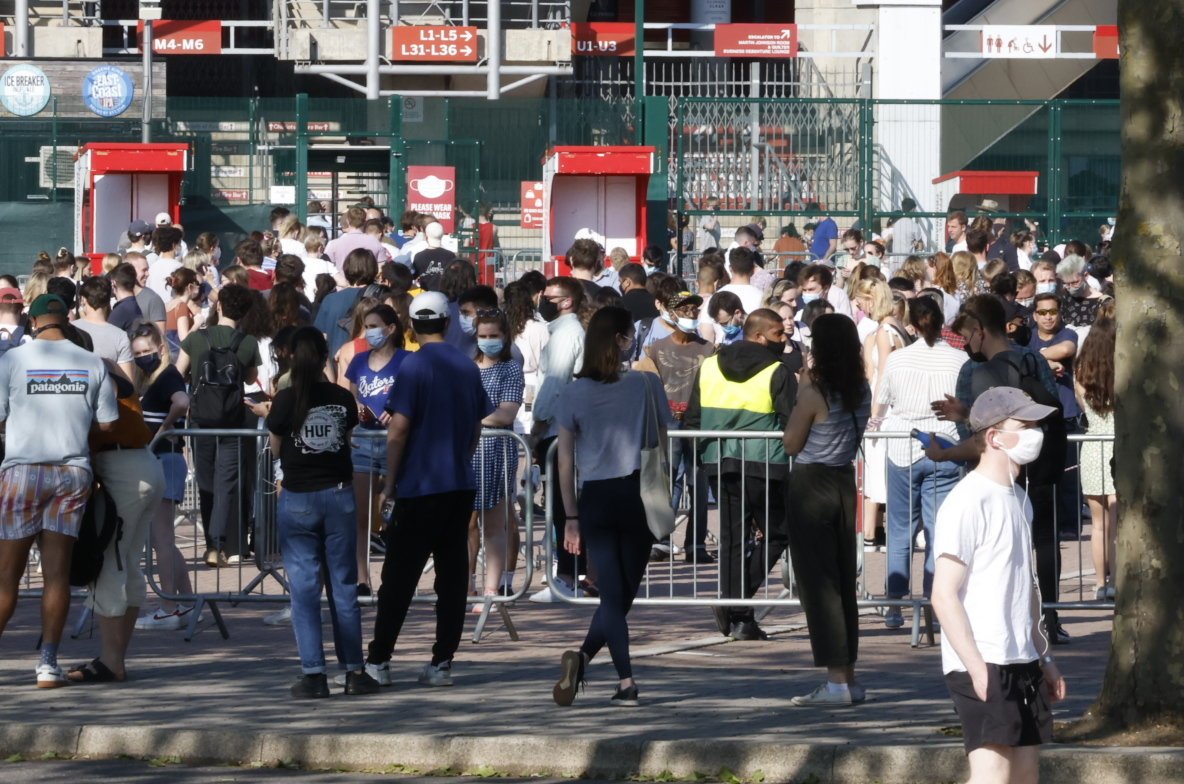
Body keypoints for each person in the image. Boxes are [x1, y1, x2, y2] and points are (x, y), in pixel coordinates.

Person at [930, 387, 1067, 781]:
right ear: (993, 436)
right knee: (992, 775)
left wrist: (1045, 659)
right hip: (982, 658)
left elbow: (1028, 592)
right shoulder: (968, 500)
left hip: (1021, 658)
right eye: (1023, 426)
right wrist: (976, 666)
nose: (1035, 434)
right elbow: (943, 595)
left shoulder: (1018, 499)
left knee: (1024, 776)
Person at [365, 291, 493, 687]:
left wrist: (389, 480)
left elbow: (398, 429)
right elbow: (475, 426)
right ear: (448, 322)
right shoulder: (468, 367)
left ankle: (380, 660)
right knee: (452, 576)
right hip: (457, 483)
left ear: (411, 326)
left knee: (399, 577)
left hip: (419, 485)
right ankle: (441, 662)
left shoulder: (414, 366)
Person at [551, 306, 669, 708]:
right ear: (621, 339)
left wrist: (570, 516)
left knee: (613, 597)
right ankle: (625, 678)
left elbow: (564, 460)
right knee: (622, 595)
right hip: (638, 491)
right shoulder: (644, 384)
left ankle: (585, 660)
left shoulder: (573, 391)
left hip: (595, 496)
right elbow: (662, 433)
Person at [0, 294, 118, 687]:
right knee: (57, 575)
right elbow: (107, 424)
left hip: (24, 471)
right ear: (66, 320)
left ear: (33, 322)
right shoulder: (91, 362)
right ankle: (48, 663)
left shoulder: (13, 360)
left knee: (7, 577)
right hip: (71, 472)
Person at [266, 327, 381, 699]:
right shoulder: (341, 398)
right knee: (343, 586)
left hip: (299, 496)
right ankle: (353, 670)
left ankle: (313, 672)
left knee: (304, 588)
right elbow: (345, 440)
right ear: (324, 355)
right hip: (338, 494)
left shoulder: (285, 399)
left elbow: (275, 449)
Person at [684, 308, 794, 640]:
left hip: (720, 461)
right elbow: (792, 423)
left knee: (733, 540)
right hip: (765, 464)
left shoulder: (709, 366)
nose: (784, 339)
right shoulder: (779, 370)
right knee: (777, 533)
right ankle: (739, 608)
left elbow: (692, 419)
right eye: (779, 334)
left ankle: (737, 607)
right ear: (759, 336)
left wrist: (700, 459)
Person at [781, 313, 870, 705]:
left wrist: (801, 388)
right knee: (842, 577)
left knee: (820, 583)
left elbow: (791, 443)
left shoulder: (814, 389)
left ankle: (836, 682)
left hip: (812, 482)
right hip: (843, 480)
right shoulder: (861, 388)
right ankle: (847, 676)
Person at [871, 298, 966, 628]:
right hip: (945, 442)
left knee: (900, 529)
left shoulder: (897, 360)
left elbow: (881, 401)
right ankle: (934, 601)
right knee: (939, 530)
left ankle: (895, 605)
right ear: (942, 322)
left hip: (902, 443)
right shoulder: (959, 359)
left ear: (911, 323)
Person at [68, 359, 165, 683]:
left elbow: (105, 407)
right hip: (141, 462)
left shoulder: (89, 368)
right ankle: (114, 657)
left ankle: (112, 661)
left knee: (109, 563)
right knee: (128, 564)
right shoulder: (106, 364)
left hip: (122, 466)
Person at [176, 284, 263, 566]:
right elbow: (250, 379)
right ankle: (217, 544)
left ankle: (211, 544)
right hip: (232, 419)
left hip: (201, 419)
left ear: (220, 306)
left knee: (205, 480)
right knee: (226, 481)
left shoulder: (197, 338)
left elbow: (179, 371)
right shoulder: (248, 342)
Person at [635, 291, 714, 564]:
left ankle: (696, 544)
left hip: (698, 424)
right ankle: (662, 539)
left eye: (695, 309)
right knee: (667, 482)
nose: (691, 314)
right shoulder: (655, 349)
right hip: (667, 424)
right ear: (672, 313)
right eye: (685, 309)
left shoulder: (708, 349)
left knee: (698, 484)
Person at [130, 325, 197, 631]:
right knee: (164, 540)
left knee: (162, 539)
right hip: (163, 460)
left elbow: (182, 402)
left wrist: (165, 428)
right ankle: (186, 603)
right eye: (138, 353)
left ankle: (168, 606)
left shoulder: (168, 375)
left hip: (165, 459)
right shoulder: (155, 379)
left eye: (147, 350)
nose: (144, 357)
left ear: (160, 348)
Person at [344, 304, 409, 596]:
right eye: (366, 327)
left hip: (398, 442)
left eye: (373, 326)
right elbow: (348, 392)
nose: (369, 333)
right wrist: (355, 406)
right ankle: (362, 579)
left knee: (396, 515)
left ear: (391, 328)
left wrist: (398, 412)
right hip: (364, 441)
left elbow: (415, 398)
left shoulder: (407, 360)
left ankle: (394, 578)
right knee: (361, 515)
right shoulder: (358, 361)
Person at [530, 277, 587, 597]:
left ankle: (569, 575)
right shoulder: (561, 333)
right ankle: (569, 574)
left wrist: (538, 424)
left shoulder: (567, 334)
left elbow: (554, 382)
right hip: (559, 428)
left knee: (565, 507)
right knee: (562, 505)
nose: (542, 301)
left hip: (559, 430)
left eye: (549, 297)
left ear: (566, 301)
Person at [468, 309, 524, 599]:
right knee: (466, 524)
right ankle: (467, 587)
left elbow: (506, 413)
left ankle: (492, 588)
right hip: (467, 452)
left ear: (504, 337)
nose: (488, 341)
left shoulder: (510, 368)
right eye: (483, 336)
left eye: (494, 336)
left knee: (494, 524)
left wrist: (471, 417)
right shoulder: (466, 366)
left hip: (497, 452)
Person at [1073, 316, 1116, 600]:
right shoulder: (1120, 373)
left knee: (1098, 525)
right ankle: (1116, 582)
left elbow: (1082, 406)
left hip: (1091, 446)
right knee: (1117, 525)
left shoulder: (1080, 374)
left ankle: (1101, 583)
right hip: (1116, 445)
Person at [315, 249, 379, 362]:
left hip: (335, 364)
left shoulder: (330, 300)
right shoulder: (378, 298)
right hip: (369, 365)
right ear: (373, 269)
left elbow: (319, 336)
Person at [74, 276, 135, 380]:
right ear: (108, 301)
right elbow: (128, 382)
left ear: (83, 299)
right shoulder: (120, 336)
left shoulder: (69, 329)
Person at [325, 206, 392, 269]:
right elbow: (381, 268)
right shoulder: (375, 243)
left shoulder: (333, 244)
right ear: (365, 221)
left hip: (341, 280)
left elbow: (327, 267)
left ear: (348, 221)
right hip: (368, 280)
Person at [412, 222, 458, 291]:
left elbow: (415, 277)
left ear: (426, 236)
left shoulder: (419, 256)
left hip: (425, 295)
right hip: (445, 295)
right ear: (442, 235)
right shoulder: (450, 255)